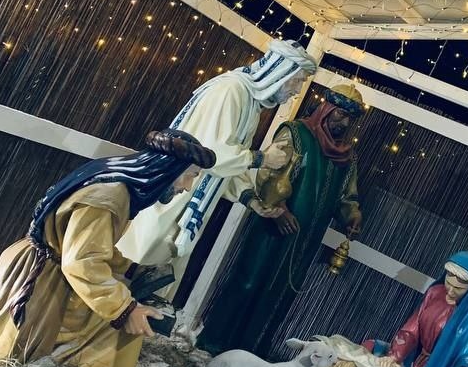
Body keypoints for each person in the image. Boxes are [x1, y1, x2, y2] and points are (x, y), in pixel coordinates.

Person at [0, 130, 215, 367]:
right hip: (39, 283)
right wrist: (126, 310)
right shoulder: (109, 196)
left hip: (44, 267)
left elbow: (90, 245)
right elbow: (81, 262)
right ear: (169, 168)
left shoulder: (114, 179)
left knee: (121, 307)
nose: (188, 187)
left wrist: (130, 269)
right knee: (121, 326)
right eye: (190, 175)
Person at [118, 40, 318, 289]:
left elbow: (227, 164)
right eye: (297, 80)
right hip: (172, 195)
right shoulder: (231, 91)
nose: (297, 91)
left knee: (151, 286)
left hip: (188, 205)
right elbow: (212, 154)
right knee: (129, 271)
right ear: (280, 72)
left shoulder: (248, 101)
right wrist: (262, 158)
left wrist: (250, 199)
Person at [197, 82, 365, 355]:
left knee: (278, 294)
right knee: (249, 281)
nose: (344, 123)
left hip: (304, 241)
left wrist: (352, 216)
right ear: (327, 108)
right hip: (272, 230)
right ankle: (214, 343)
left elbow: (347, 196)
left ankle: (250, 351)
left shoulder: (346, 157)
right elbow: (269, 174)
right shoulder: (296, 134)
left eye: (350, 119)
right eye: (340, 114)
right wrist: (278, 208)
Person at [364, 252, 468, 367]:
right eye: (448, 283)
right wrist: (395, 356)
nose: (450, 291)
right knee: (370, 348)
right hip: (413, 358)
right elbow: (412, 329)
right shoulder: (434, 293)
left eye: (458, 288)